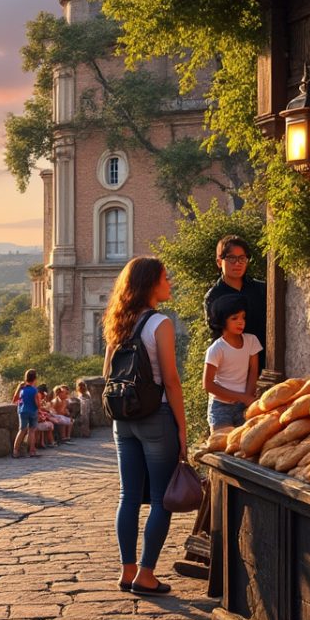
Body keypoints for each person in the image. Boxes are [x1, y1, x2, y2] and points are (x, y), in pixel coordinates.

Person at [103, 256, 186, 597]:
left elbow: (109, 373)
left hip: (123, 420)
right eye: (165, 278)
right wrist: (182, 428)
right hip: (156, 418)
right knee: (161, 500)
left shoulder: (118, 323)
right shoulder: (160, 324)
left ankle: (127, 569)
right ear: (152, 283)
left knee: (128, 496)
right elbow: (171, 380)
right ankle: (147, 574)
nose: (169, 282)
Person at [204, 235, 267, 379]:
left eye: (242, 258)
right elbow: (218, 336)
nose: (237, 263)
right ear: (219, 262)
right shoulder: (213, 297)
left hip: (264, 367)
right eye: (231, 258)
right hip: (231, 373)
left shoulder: (262, 290)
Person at [203, 293, 263, 432]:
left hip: (244, 405)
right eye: (234, 318)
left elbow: (253, 371)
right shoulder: (216, 349)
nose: (241, 321)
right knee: (222, 447)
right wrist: (242, 397)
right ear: (222, 321)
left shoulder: (251, 341)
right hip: (220, 408)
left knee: (244, 446)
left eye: (243, 317)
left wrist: (247, 398)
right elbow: (208, 385)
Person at [11, 370, 39, 458]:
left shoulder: (21, 388)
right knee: (32, 431)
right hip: (32, 411)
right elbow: (37, 403)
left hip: (22, 411)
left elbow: (14, 399)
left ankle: (15, 451)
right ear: (35, 378)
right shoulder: (34, 390)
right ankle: (32, 451)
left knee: (22, 430)